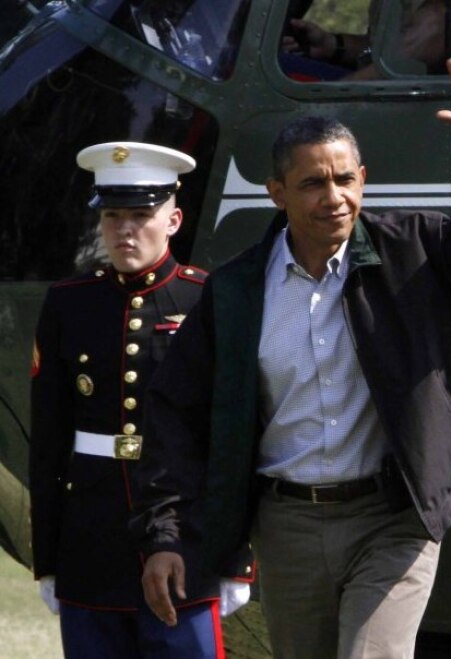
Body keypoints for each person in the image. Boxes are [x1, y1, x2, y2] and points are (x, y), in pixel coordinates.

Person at [132, 42, 451, 658]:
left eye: (344, 179)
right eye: (311, 184)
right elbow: (174, 416)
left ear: (363, 180)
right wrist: (164, 534)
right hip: (288, 526)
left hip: (395, 520)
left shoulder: (422, 253)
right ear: (277, 192)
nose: (333, 198)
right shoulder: (236, 291)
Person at [29, 142, 253, 658]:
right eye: (112, 216)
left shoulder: (207, 300)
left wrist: (235, 558)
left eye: (140, 215)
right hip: (91, 537)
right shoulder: (69, 302)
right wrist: (48, 558)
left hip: (184, 538)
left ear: (173, 219)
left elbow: (233, 437)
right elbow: (48, 440)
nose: (124, 230)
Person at [280, 0, 446, 80]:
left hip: (399, 102)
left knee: (283, 67)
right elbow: (384, 48)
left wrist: (336, 91)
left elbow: (402, 64)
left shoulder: (432, 13)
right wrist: (332, 45)